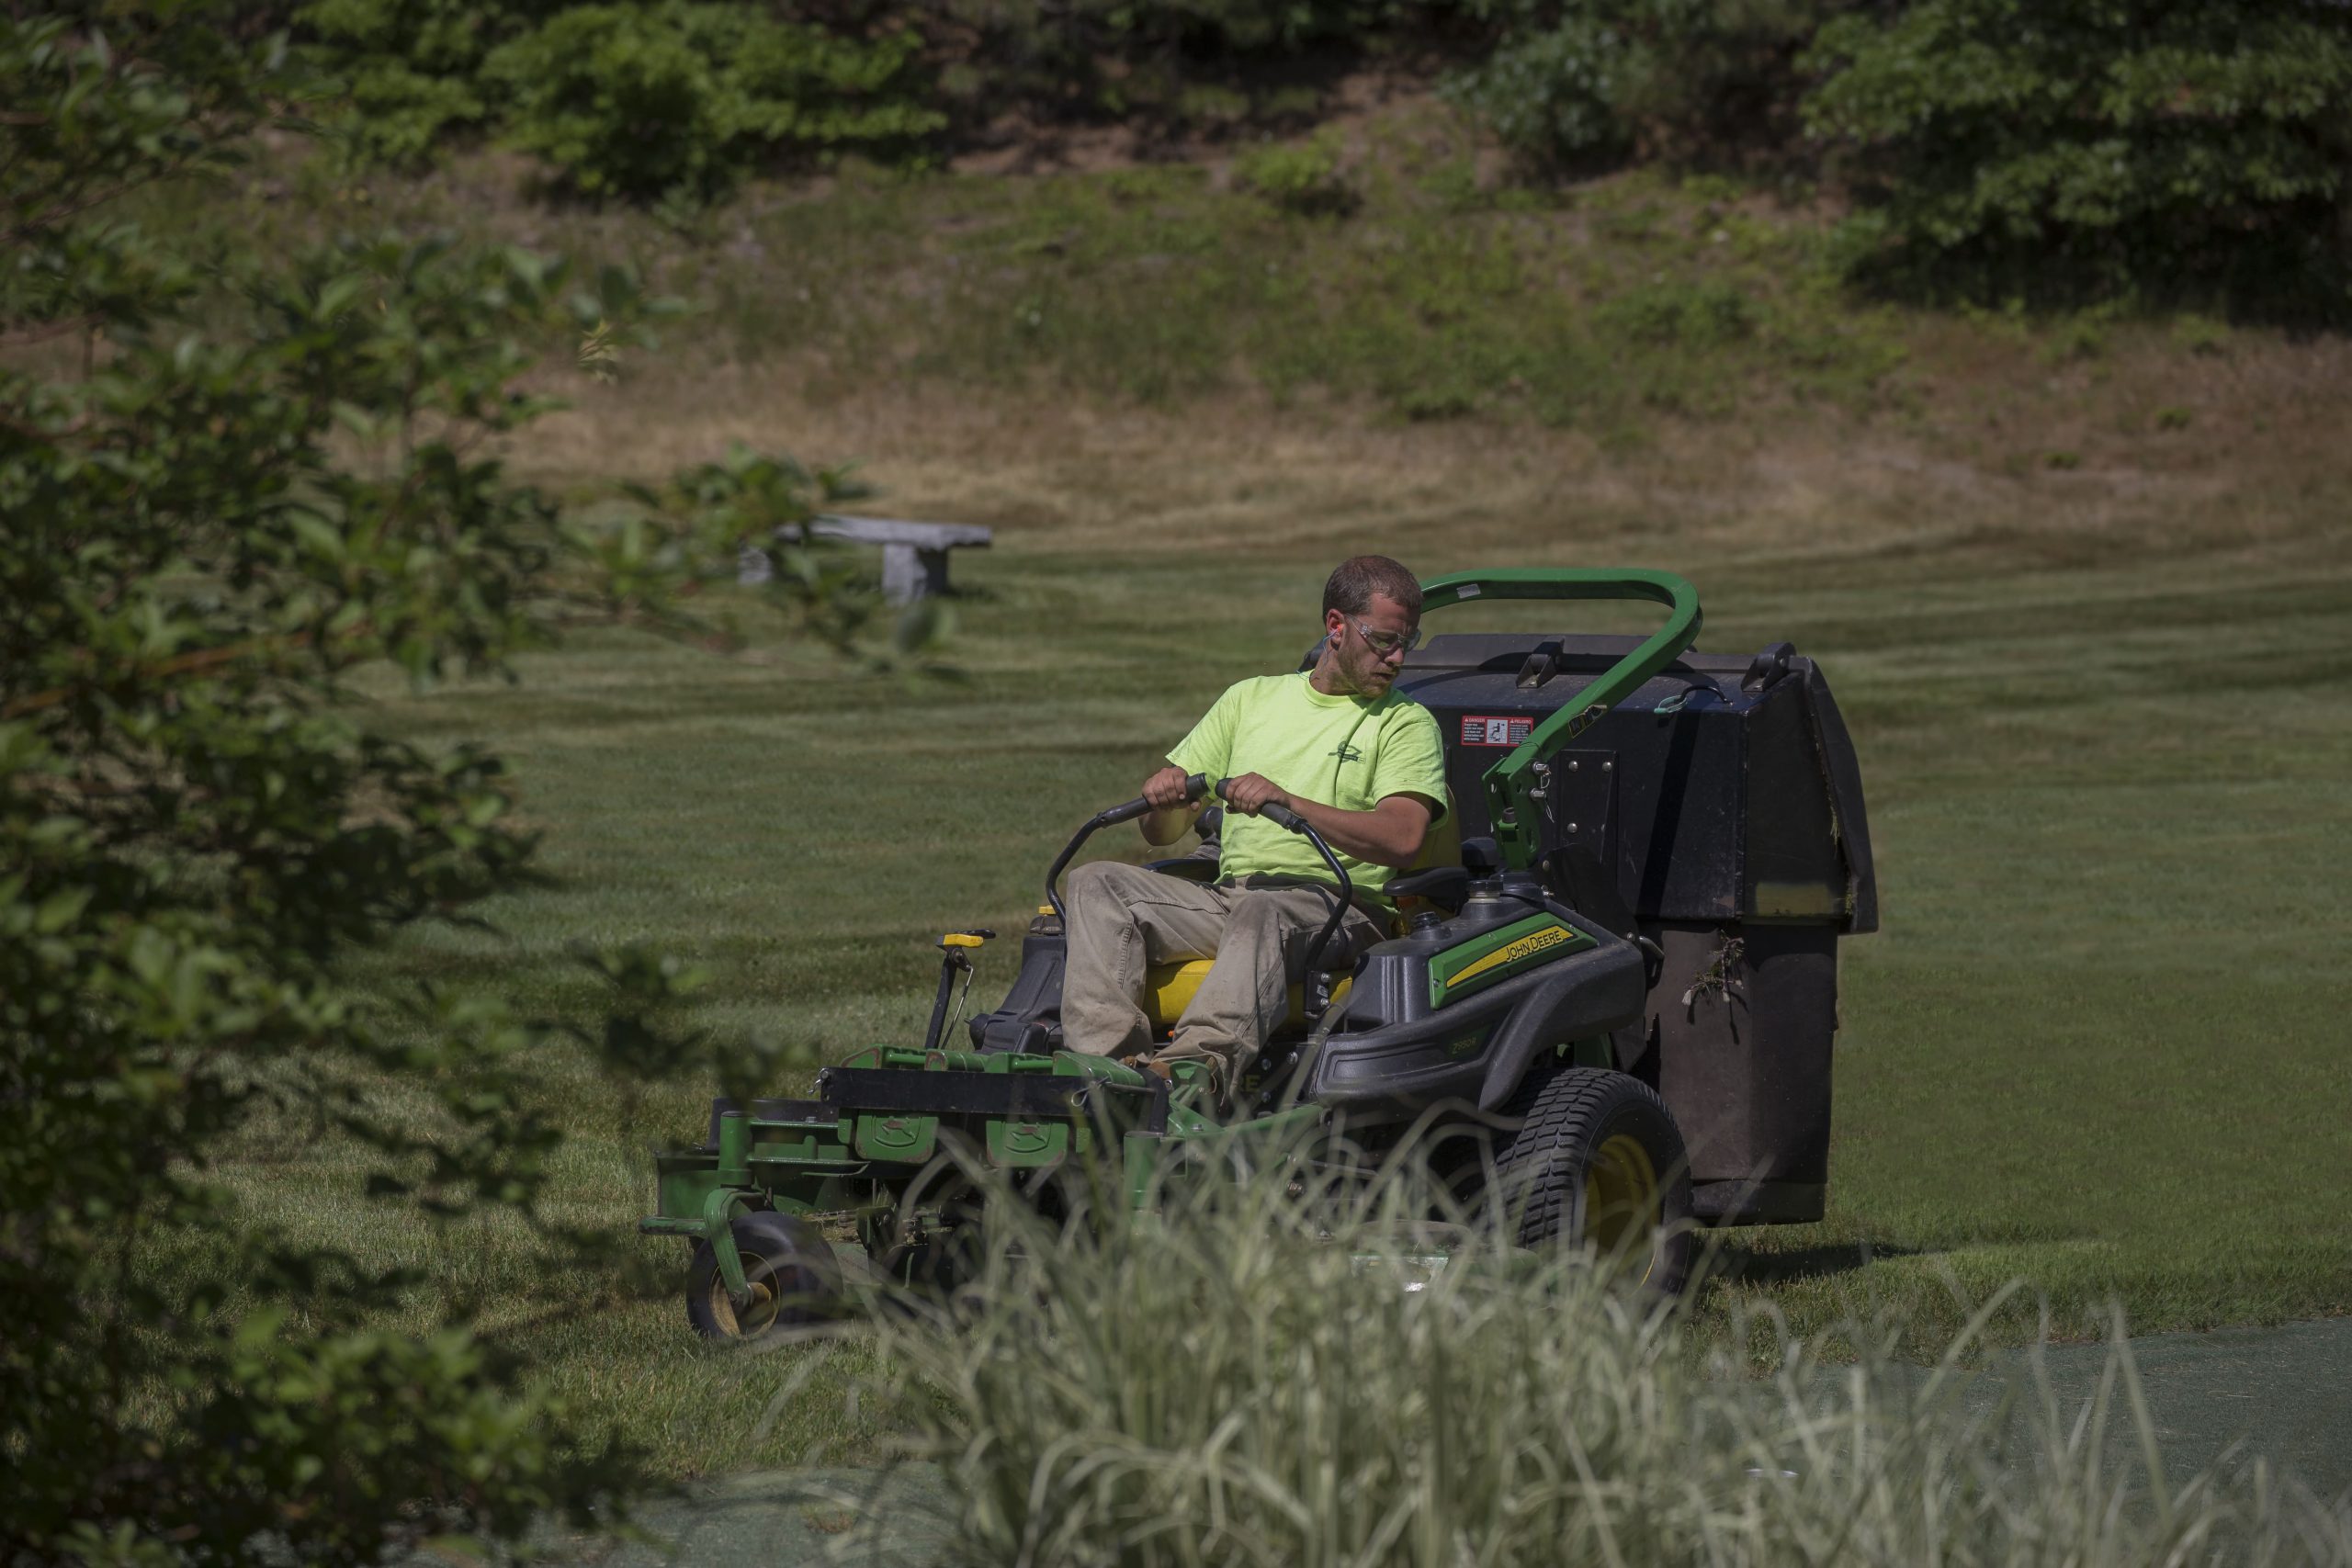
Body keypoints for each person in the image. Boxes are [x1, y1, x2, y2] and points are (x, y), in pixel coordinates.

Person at [1058, 555, 1449, 1091]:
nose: (1398, 657)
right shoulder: (1250, 700)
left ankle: (1194, 1073)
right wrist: (1165, 800)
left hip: (1339, 907)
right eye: (1383, 639)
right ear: (1336, 627)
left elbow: (1404, 839)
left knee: (1263, 910)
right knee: (1094, 882)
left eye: (1407, 641)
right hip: (1232, 901)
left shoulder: (1406, 723)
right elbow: (1162, 835)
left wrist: (1290, 800)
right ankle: (1108, 1073)